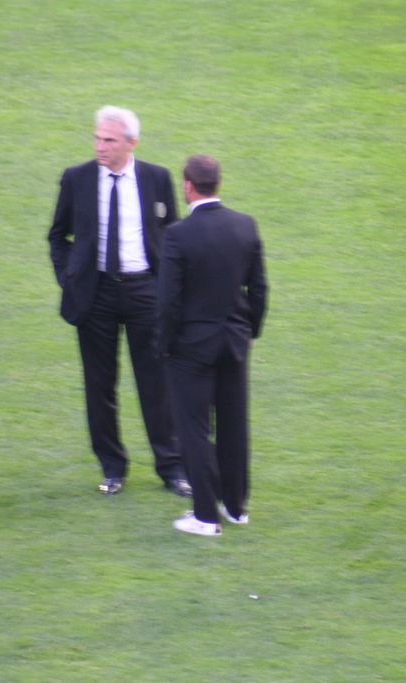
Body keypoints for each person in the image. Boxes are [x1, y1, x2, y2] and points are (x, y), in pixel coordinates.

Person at [48, 106, 190, 497]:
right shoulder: (76, 178)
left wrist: (166, 286)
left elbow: (171, 235)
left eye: (109, 140)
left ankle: (172, 468)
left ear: (131, 143)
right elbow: (58, 235)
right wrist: (69, 279)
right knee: (99, 385)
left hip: (145, 291)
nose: (100, 146)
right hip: (95, 294)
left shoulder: (156, 178)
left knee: (157, 383)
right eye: (97, 138)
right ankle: (112, 468)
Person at [158, 155, 268, 536]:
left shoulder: (177, 234)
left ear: (188, 186)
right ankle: (235, 507)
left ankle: (205, 516)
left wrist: (164, 344)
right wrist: (249, 330)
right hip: (234, 342)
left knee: (194, 430)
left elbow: (168, 300)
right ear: (218, 184)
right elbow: (259, 289)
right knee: (234, 425)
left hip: (191, 348)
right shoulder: (245, 225)